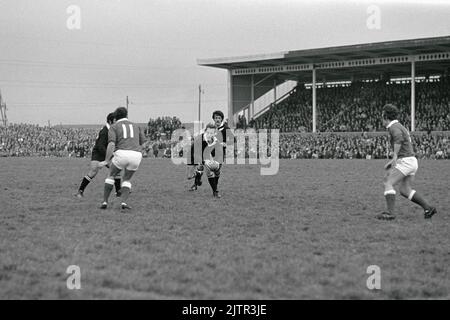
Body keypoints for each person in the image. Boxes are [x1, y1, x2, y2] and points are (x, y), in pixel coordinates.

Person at [377, 104, 437, 220]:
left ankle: (390, 213)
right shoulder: (399, 125)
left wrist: (394, 157)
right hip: (411, 161)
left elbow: (398, 138)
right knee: (405, 190)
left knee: (387, 182)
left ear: (385, 116)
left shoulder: (394, 126)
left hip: (406, 161)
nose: (381, 118)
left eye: (382, 115)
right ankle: (428, 208)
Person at [99, 107, 145, 210]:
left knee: (111, 175)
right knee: (127, 179)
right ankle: (123, 202)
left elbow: (111, 144)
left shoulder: (114, 127)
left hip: (121, 153)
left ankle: (105, 202)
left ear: (115, 116)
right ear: (126, 115)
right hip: (136, 155)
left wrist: (106, 160)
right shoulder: (136, 126)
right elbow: (142, 142)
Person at [75, 113, 121, 198]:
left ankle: (118, 192)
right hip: (98, 153)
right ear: (110, 121)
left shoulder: (112, 130)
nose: (117, 122)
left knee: (116, 169)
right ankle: (80, 191)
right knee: (93, 171)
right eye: (115, 121)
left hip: (106, 153)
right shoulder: (104, 131)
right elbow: (100, 146)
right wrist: (109, 156)